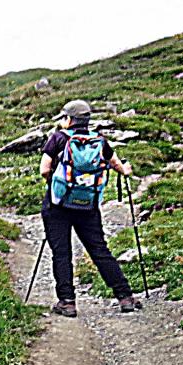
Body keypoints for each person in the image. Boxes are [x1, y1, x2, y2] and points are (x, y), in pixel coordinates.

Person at [38, 99, 140, 317]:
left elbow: (44, 169)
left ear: (69, 119)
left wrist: (56, 182)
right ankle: (125, 297)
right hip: (87, 205)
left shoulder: (58, 138)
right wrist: (126, 170)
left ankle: (67, 302)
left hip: (58, 205)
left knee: (62, 253)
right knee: (99, 250)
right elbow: (117, 166)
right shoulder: (99, 141)